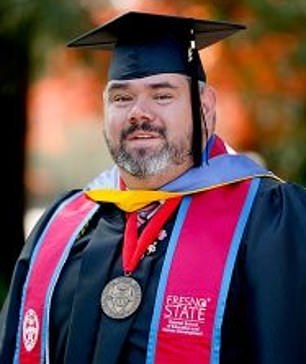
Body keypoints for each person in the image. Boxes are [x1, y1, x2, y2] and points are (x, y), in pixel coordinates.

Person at [1, 10, 306, 364]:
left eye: (162, 96)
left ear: (204, 108)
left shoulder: (269, 222)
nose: (138, 113)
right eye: (121, 98)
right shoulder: (62, 227)